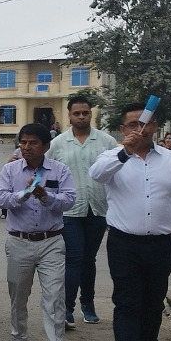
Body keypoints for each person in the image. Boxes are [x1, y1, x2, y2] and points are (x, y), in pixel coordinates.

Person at [89, 103, 171, 341]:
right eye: (133, 125)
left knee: (153, 300)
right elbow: (97, 175)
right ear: (123, 129)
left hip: (161, 243)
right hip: (124, 242)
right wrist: (125, 152)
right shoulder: (112, 157)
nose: (140, 129)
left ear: (154, 127)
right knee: (127, 301)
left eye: (145, 123)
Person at [0, 124, 76, 341]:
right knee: (18, 294)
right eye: (23, 142)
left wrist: (45, 196)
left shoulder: (60, 170)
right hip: (19, 240)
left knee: (54, 297)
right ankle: (19, 338)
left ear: (45, 146)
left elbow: (69, 200)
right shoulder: (10, 170)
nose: (27, 147)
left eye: (33, 143)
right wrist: (25, 194)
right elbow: (1, 198)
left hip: (51, 241)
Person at [48, 95, 117, 327]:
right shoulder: (58, 143)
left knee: (89, 259)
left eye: (85, 113)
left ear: (90, 114)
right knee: (74, 257)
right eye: (76, 113)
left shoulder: (106, 141)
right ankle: (67, 308)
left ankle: (88, 304)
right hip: (69, 210)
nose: (81, 117)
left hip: (98, 208)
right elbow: (47, 171)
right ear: (69, 115)